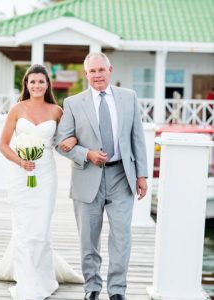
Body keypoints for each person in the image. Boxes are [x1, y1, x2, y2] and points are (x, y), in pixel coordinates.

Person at [56, 52, 148, 300]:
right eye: (92, 71)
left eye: (101, 70)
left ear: (110, 70)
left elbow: (137, 137)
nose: (97, 75)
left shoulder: (129, 98)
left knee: (121, 237)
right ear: (86, 74)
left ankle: (117, 291)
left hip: (121, 176)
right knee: (89, 239)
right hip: (87, 177)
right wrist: (87, 154)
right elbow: (60, 142)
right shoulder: (73, 103)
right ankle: (92, 288)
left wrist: (142, 175)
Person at [0, 64, 83, 300]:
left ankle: (42, 277)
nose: (37, 85)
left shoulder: (57, 111)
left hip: (46, 175)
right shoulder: (17, 109)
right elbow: (3, 145)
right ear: (26, 85)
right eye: (32, 82)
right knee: (23, 227)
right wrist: (21, 161)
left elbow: (68, 138)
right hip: (21, 176)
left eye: (41, 81)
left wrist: (71, 142)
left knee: (39, 229)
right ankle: (27, 281)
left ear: (47, 84)